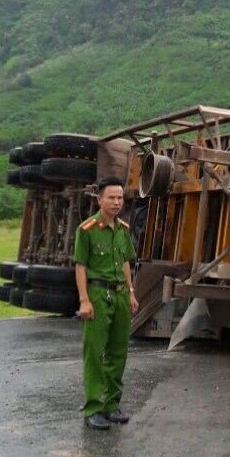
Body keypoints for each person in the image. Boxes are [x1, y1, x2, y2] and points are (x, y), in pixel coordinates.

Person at [74, 176, 139, 430]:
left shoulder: (123, 229)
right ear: (99, 199)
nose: (116, 202)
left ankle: (112, 405)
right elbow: (80, 266)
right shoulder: (87, 230)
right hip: (98, 295)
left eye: (120, 197)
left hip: (120, 294)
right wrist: (84, 300)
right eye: (111, 197)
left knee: (118, 351)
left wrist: (131, 292)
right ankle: (93, 407)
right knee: (95, 353)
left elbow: (125, 262)